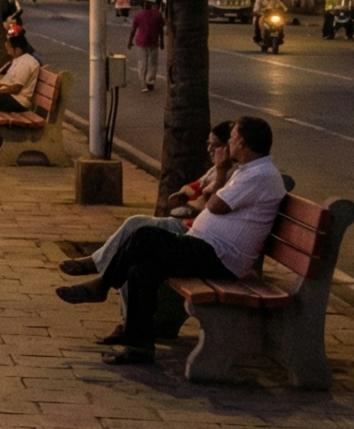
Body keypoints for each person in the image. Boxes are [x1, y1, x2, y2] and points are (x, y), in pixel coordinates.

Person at [57, 117, 284, 365]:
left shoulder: (259, 174)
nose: (228, 145)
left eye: (231, 139)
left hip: (221, 258)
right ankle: (139, 347)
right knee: (140, 270)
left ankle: (102, 284)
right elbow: (210, 198)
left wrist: (220, 170)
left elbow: (215, 205)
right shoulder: (249, 171)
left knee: (145, 235)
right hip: (208, 248)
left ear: (241, 141)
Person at [61, 123, 235, 277]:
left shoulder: (231, 174)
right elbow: (199, 185)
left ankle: (97, 267)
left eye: (216, 145)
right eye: (208, 144)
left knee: (138, 233)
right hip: (190, 226)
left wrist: (214, 180)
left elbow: (211, 205)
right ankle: (99, 267)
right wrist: (184, 193)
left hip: (198, 237)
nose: (210, 150)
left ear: (230, 147)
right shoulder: (217, 169)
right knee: (135, 233)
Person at [129, 0, 166, 92]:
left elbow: (133, 30)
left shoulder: (138, 15)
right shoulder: (157, 14)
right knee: (152, 63)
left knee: (142, 62)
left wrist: (130, 41)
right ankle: (150, 81)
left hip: (141, 42)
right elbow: (161, 29)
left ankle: (143, 82)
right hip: (153, 42)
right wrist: (162, 41)